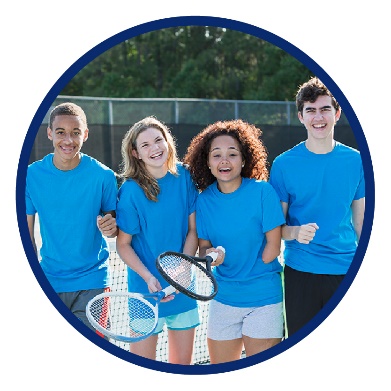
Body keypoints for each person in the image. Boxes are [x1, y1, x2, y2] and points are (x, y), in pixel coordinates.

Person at [269, 77, 365, 337]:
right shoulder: (283, 164)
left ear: (338, 112)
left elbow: (361, 224)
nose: (318, 117)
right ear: (301, 116)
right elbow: (276, 228)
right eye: (310, 110)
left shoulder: (356, 161)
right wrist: (296, 232)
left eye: (325, 109)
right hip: (301, 271)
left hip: (346, 271)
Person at [183, 119, 285, 364]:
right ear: (207, 162)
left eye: (232, 154)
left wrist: (252, 266)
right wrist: (213, 255)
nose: (224, 161)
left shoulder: (263, 192)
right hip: (223, 299)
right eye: (216, 155)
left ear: (244, 159)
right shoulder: (204, 200)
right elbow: (204, 245)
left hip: (263, 298)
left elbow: (274, 245)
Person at [26, 102, 118, 334]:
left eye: (75, 133)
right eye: (61, 132)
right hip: (48, 281)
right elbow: (26, 232)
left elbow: (114, 224)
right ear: (49, 133)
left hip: (93, 280)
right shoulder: (30, 176)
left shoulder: (103, 176)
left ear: (85, 134)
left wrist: (112, 227)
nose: (68, 140)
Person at [115, 116, 200, 364]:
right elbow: (123, 244)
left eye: (158, 140)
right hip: (145, 293)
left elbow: (192, 231)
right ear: (136, 153)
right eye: (145, 145)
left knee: (182, 368)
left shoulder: (185, 177)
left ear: (167, 142)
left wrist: (183, 268)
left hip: (183, 288)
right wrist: (149, 277)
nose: (154, 148)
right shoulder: (130, 191)